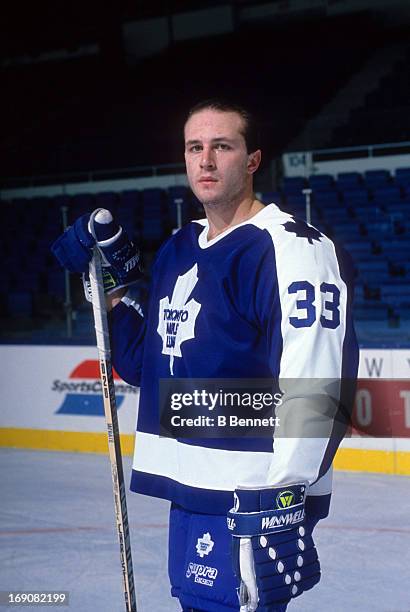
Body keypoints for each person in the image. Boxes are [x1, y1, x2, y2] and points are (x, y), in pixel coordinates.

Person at [52, 99, 359, 612]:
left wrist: (282, 501)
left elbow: (318, 380)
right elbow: (147, 367)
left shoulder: (292, 249)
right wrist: (109, 285)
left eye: (223, 146)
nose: (206, 161)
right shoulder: (178, 248)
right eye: (195, 147)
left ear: (253, 160)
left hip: (251, 498)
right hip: (190, 493)